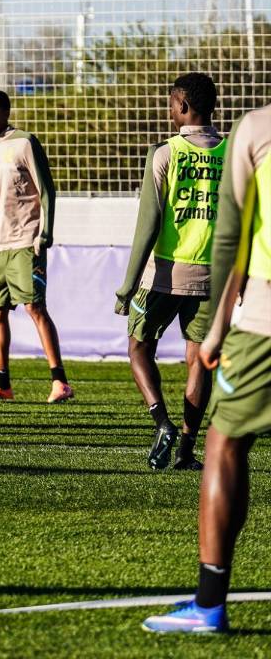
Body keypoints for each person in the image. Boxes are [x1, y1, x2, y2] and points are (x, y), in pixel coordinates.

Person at [142, 103, 271, 634]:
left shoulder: (258, 129)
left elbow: (231, 237)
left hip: (264, 318)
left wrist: (218, 330)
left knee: (226, 443)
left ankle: (210, 603)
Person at [116, 74, 224, 471]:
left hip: (164, 273)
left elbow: (149, 222)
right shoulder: (230, 153)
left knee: (139, 348)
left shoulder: (167, 152)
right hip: (213, 277)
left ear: (181, 107)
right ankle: (186, 451)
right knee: (200, 361)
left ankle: (162, 423)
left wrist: (127, 285)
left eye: (171, 104)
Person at [0, 90, 74, 404]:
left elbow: (47, 190)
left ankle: (60, 382)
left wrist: (44, 233)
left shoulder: (24, 143)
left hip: (26, 243)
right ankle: (0, 384)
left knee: (35, 308)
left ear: (5, 112)